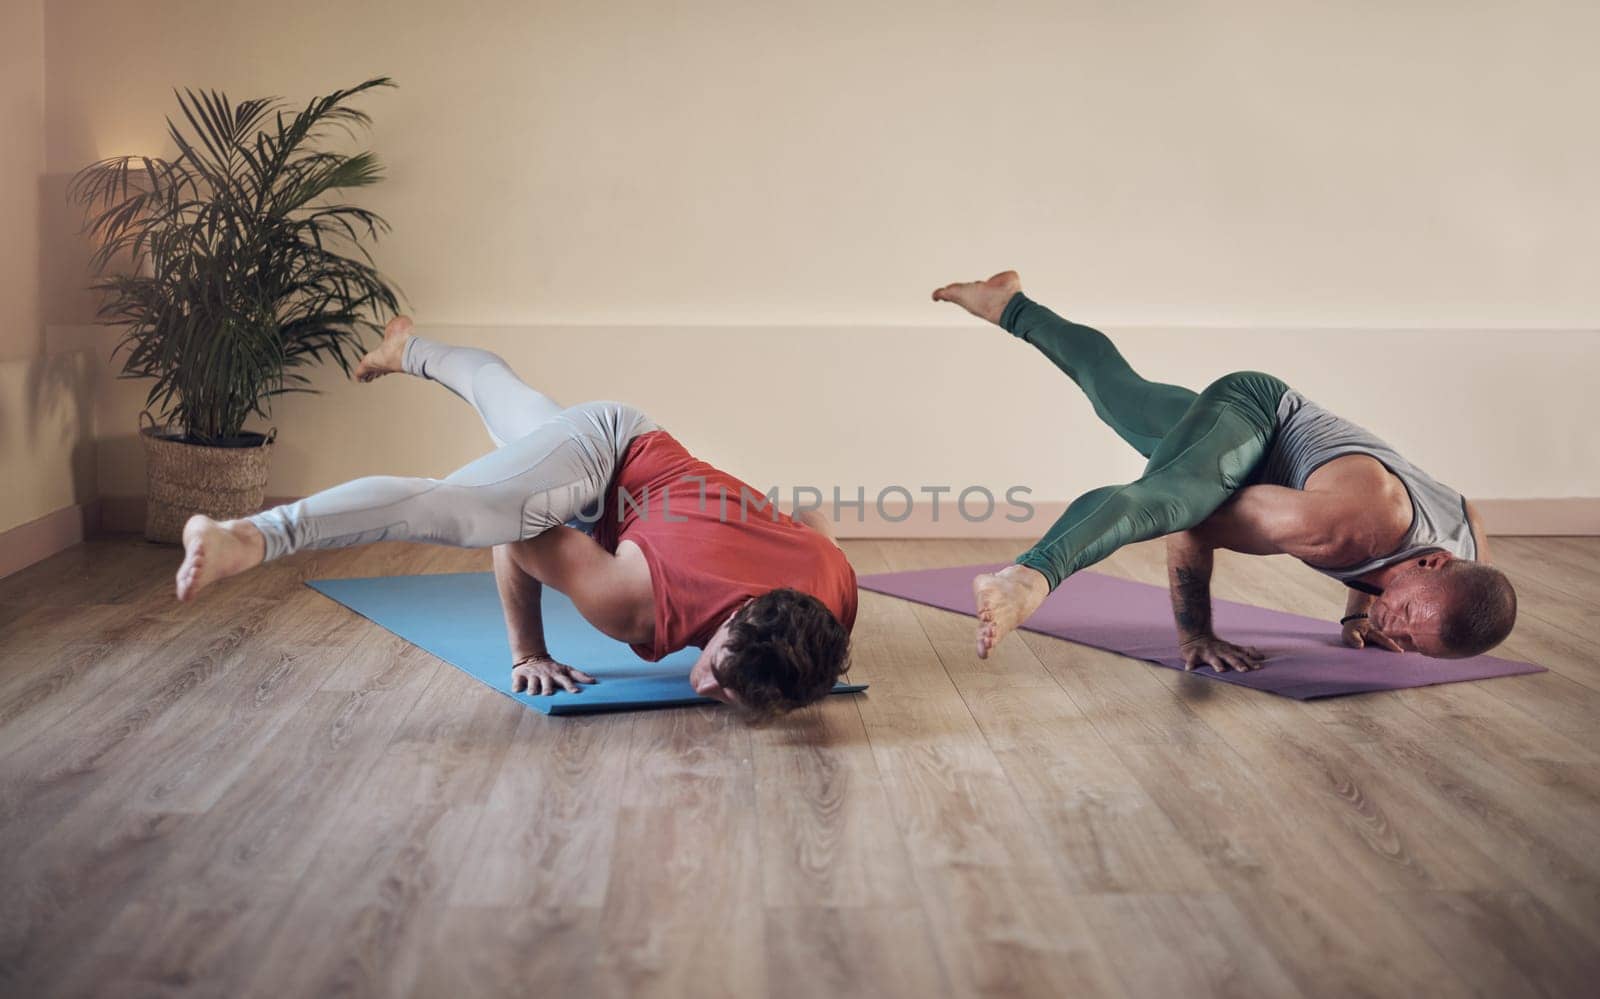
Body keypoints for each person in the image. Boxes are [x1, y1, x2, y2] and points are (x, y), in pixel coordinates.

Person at [175, 318, 856, 713]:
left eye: (727, 691)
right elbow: (519, 536)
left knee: (505, 399)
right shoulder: (639, 601)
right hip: (610, 452)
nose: (701, 680)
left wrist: (753, 530)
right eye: (719, 664)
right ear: (740, 615)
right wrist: (528, 650)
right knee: (462, 511)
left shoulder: (832, 586)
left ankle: (405, 346)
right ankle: (250, 535)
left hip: (642, 472)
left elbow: (815, 518)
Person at [931, 271, 1516, 670]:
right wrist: (1196, 634)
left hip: (1294, 464)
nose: (1401, 632)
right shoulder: (1344, 527)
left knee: (1115, 392)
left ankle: (1006, 301)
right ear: (1434, 561)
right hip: (1254, 413)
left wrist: (1362, 610)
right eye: (1408, 618)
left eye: (1415, 643)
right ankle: (1029, 576)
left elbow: (1399, 564)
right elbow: (1196, 524)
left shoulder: (1467, 552)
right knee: (1171, 497)